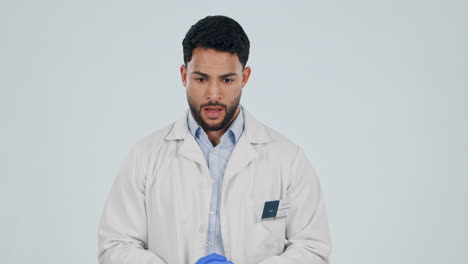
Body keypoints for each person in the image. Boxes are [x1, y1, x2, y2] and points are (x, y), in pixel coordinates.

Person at [97, 15, 332, 264]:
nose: (213, 94)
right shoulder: (145, 156)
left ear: (245, 77)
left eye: (227, 80)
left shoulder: (287, 159)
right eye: (201, 79)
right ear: (183, 75)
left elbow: (312, 249)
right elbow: (115, 246)